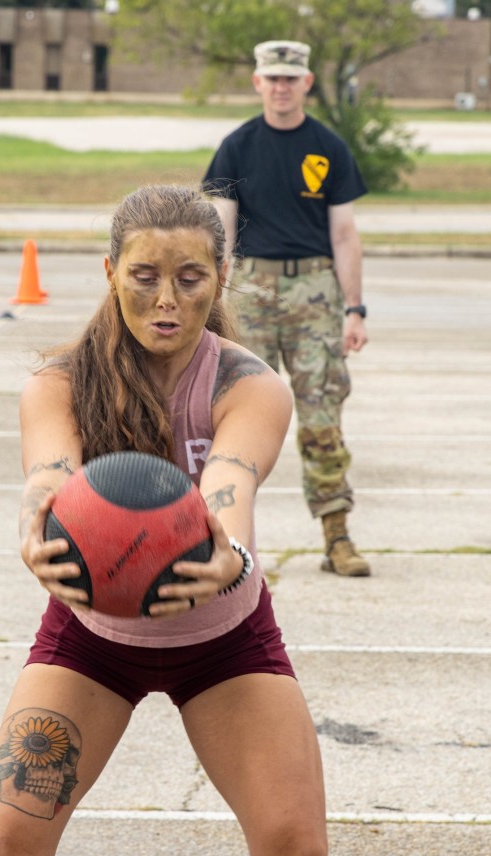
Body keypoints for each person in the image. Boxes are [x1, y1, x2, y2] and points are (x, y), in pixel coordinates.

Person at [0, 184, 329, 856]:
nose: (167, 297)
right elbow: (49, 477)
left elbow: (230, 482)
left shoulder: (250, 385)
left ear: (220, 279)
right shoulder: (59, 382)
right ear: (111, 274)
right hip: (91, 637)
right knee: (4, 848)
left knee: (298, 852)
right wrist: (31, 528)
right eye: (144, 276)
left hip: (226, 639)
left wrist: (230, 554)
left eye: (190, 278)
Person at [203, 39, 371, 577]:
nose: (280, 86)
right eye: (271, 77)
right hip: (252, 291)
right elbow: (221, 232)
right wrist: (214, 302)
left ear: (307, 83)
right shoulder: (236, 147)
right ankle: (224, 540)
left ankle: (336, 534)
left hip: (315, 291)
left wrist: (355, 308)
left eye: (290, 78)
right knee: (236, 421)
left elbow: (344, 234)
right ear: (257, 82)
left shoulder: (328, 147)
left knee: (322, 415)